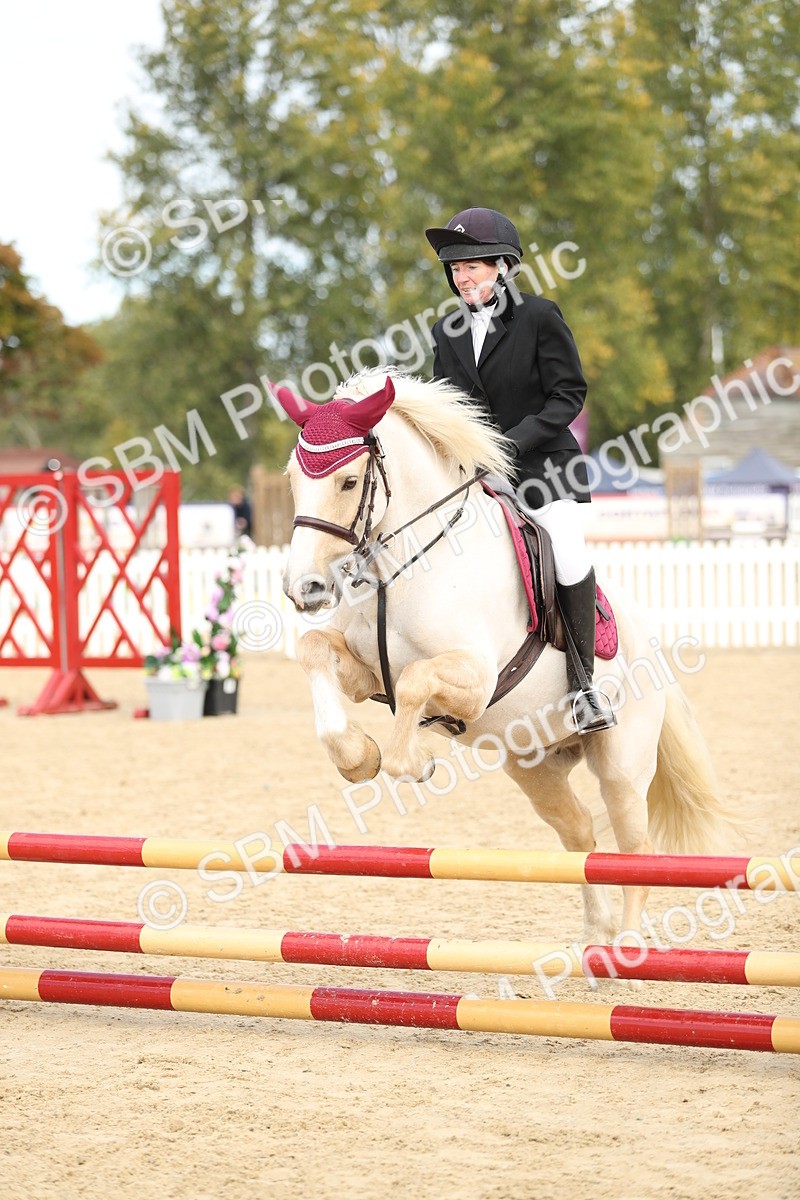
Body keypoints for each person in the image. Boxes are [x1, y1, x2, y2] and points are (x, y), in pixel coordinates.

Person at [425, 206, 615, 734]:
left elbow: (568, 395)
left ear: (503, 267)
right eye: (455, 270)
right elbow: (446, 406)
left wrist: (510, 443)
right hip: (482, 476)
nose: (461, 278)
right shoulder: (446, 331)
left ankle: (583, 687)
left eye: (472, 267)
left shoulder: (539, 315)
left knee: (568, 555)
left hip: (545, 467)